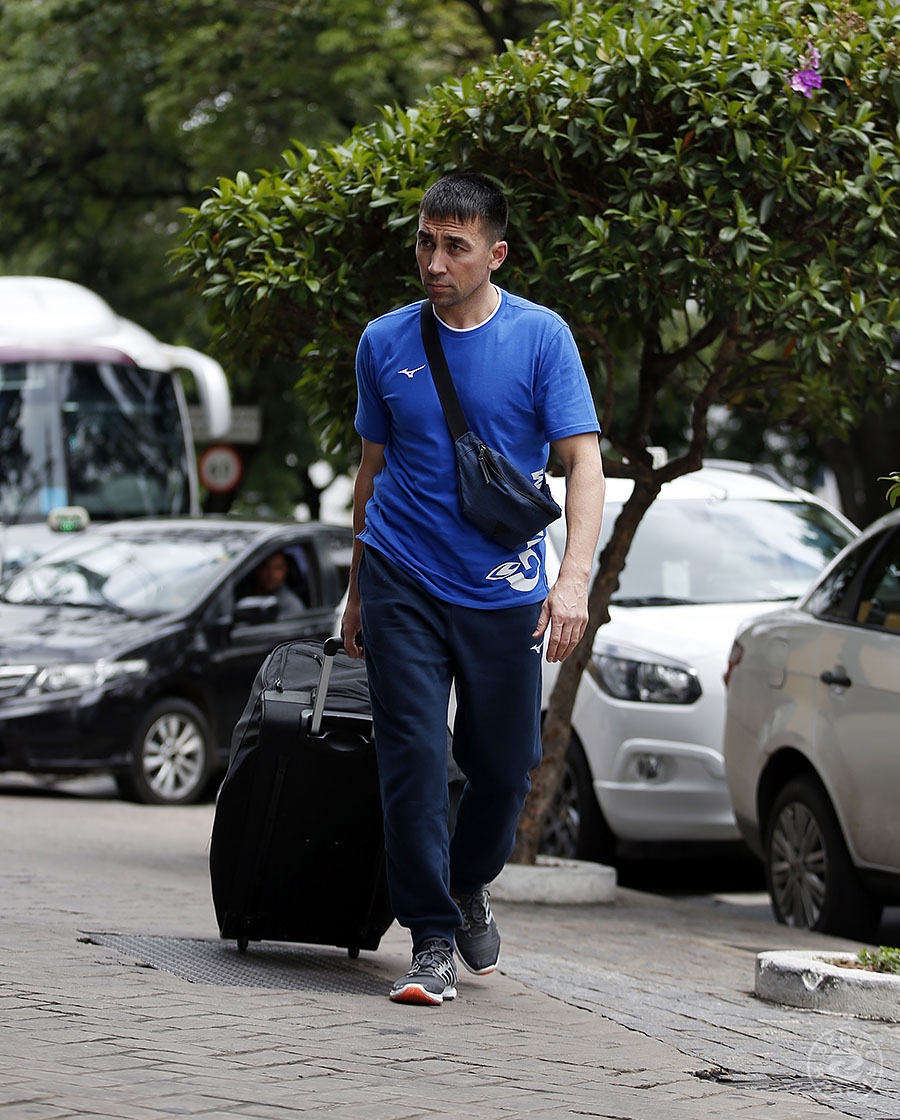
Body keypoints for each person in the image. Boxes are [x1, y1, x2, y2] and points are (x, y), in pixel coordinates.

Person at [341, 172, 606, 1006]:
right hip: (402, 576)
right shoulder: (384, 342)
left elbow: (584, 463)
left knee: (505, 766)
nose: (434, 261)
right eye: (425, 242)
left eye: (455, 246)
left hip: (503, 589)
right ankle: (429, 938)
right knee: (413, 757)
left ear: (495, 253)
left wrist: (572, 582)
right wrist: (356, 589)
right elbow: (371, 472)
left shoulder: (540, 337)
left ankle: (466, 883)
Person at [247, 551, 306, 618]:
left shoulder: (291, 605)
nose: (271, 574)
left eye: (278, 568)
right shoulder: (244, 590)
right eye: (266, 567)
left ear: (285, 570)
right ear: (257, 568)